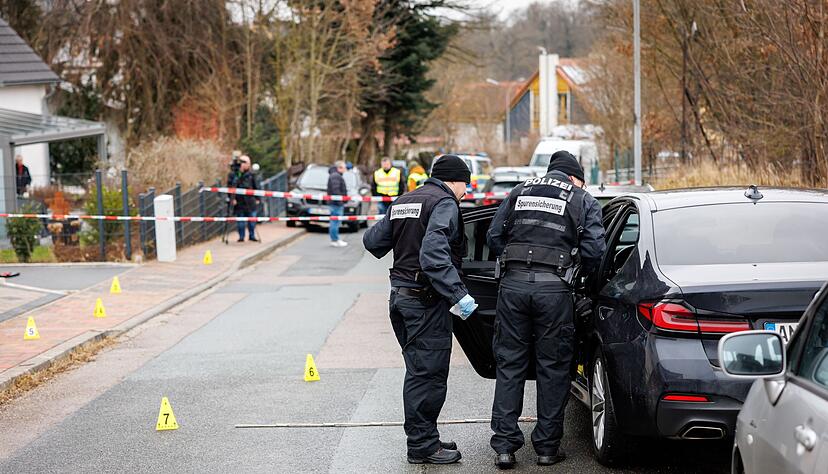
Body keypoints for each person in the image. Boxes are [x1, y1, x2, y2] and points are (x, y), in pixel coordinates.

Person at [486, 150, 606, 469]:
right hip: (554, 290)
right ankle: (547, 449)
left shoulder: (519, 191)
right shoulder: (580, 198)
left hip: (512, 288)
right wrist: (586, 284)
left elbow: (493, 235)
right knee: (552, 367)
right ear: (574, 177)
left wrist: (512, 266)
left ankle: (505, 447)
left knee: (509, 364)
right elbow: (596, 251)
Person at [363, 154, 477, 465]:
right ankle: (423, 446)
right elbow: (432, 254)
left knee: (418, 370)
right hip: (425, 301)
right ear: (453, 180)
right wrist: (458, 295)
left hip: (399, 298)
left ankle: (425, 436)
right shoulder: (444, 203)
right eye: (466, 184)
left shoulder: (405, 199)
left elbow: (372, 241)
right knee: (428, 374)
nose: (467, 191)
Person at [227, 155, 260, 242]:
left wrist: (257, 198)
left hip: (250, 201)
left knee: (252, 220)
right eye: (246, 163)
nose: (248, 165)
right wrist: (232, 198)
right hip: (239, 201)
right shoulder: (233, 174)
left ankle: (252, 235)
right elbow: (230, 187)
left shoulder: (251, 175)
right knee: (240, 220)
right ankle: (241, 236)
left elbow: (255, 186)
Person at [327, 160, 349, 248]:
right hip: (336, 204)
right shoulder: (336, 176)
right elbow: (336, 190)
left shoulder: (335, 175)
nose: (345, 169)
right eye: (344, 167)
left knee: (335, 221)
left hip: (335, 203)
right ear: (339, 168)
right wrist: (340, 202)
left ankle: (335, 239)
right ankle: (335, 240)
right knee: (335, 221)